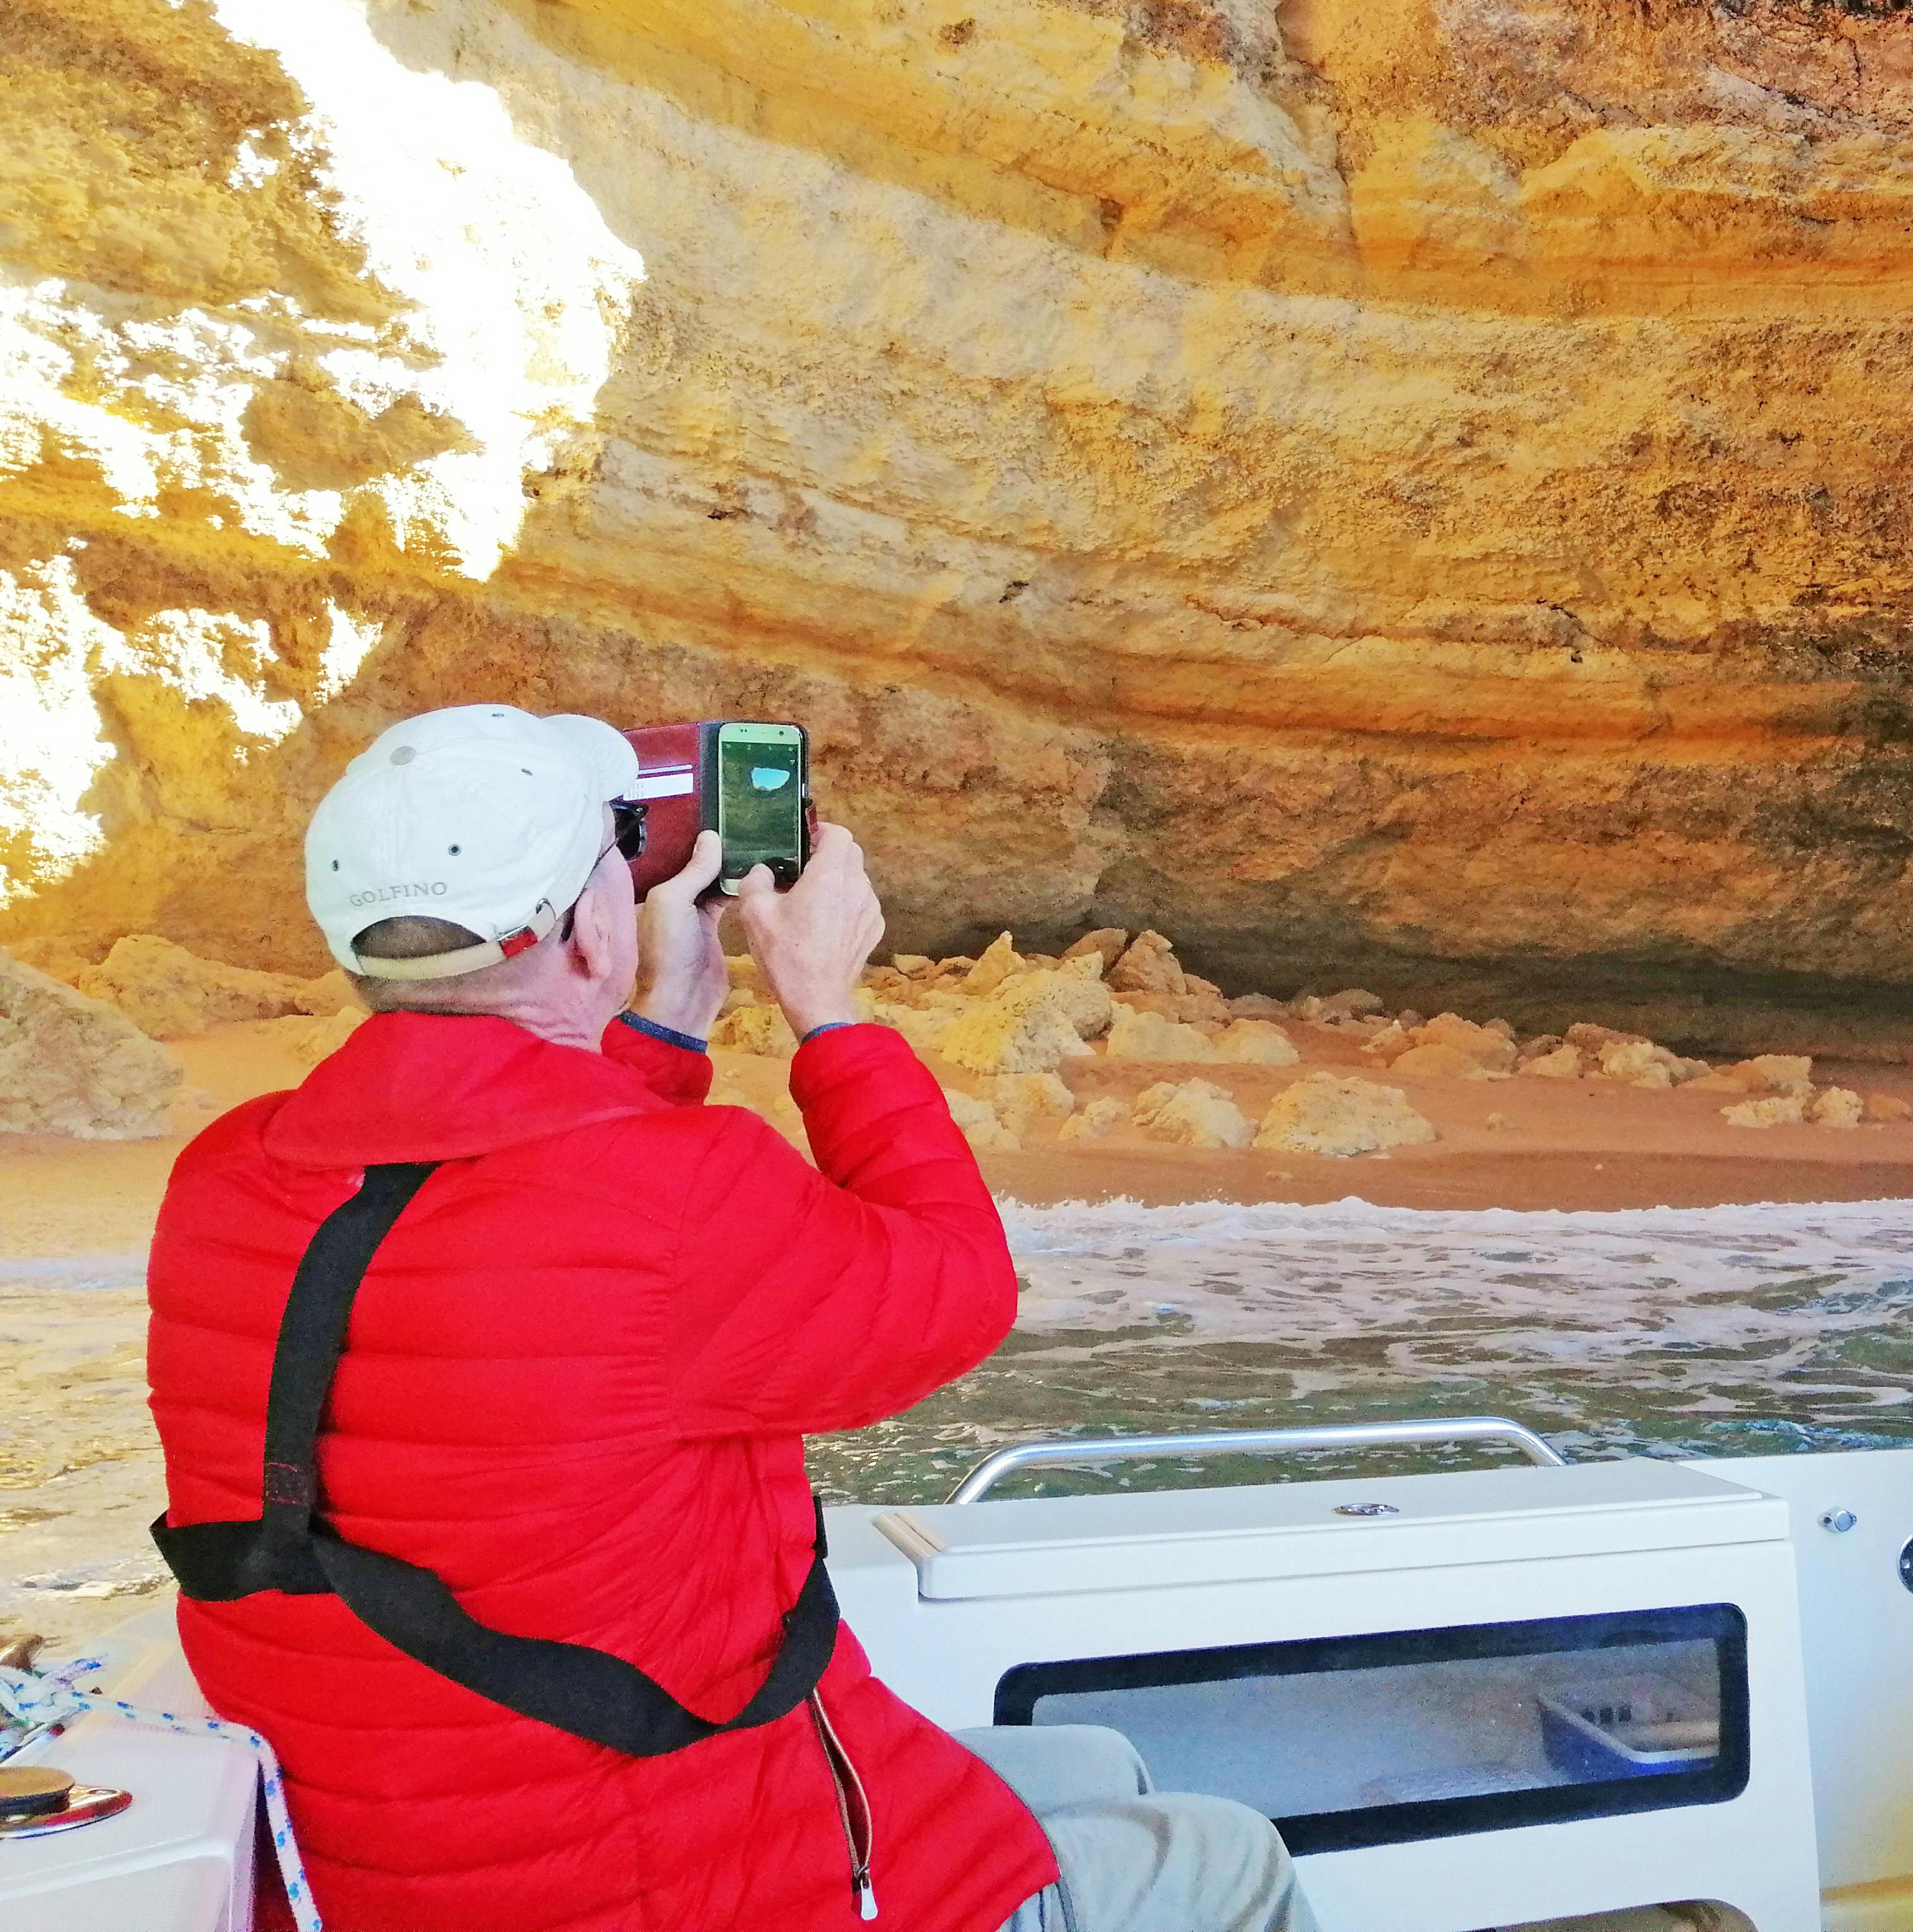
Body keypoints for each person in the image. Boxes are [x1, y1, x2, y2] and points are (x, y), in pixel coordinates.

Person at [146, 704, 1315, 1932]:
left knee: (1094, 1770)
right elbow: (959, 1288)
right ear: (597, 928)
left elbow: (503, 1221)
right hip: (681, 1880)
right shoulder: (677, 1196)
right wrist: (829, 1008)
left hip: (417, 1860)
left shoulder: (230, 1176)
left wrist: (662, 1031)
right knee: (1223, 1852)